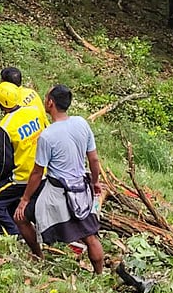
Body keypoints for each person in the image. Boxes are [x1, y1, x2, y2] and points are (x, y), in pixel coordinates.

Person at [13, 85, 106, 274]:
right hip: (81, 188)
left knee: (20, 218)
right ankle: (99, 274)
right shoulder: (81, 123)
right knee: (90, 235)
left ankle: (38, 255)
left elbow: (37, 173)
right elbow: (94, 159)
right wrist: (95, 182)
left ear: (50, 103)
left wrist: (25, 200)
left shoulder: (47, 136)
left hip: (57, 192)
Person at [0, 82, 45, 235]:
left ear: (1, 104)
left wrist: (1, 177)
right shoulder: (34, 111)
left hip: (22, 178)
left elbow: (6, 161)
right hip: (43, 171)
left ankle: (14, 233)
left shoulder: (5, 127)